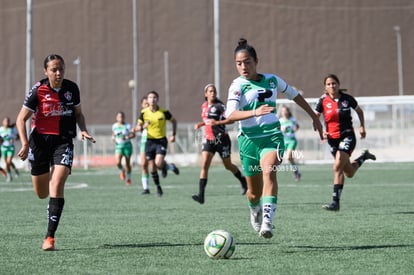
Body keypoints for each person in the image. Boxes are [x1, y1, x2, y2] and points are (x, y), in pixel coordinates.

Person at [225, 38, 323, 238]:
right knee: (253, 192)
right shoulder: (237, 85)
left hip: (272, 137)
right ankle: (255, 210)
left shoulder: (272, 80)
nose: (243, 66)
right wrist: (255, 112)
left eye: (247, 62)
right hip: (248, 141)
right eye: (239, 63)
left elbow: (294, 95)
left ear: (256, 61)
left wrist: (314, 116)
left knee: (269, 172)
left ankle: (267, 222)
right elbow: (230, 116)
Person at [16, 54, 95, 251]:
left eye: (61, 69)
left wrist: (83, 129)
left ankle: (49, 237)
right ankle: (48, 198)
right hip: (40, 143)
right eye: (54, 69)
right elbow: (20, 119)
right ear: (46, 71)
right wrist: (25, 144)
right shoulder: (38, 90)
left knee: (57, 183)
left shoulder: (72, 89)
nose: (58, 73)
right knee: (41, 193)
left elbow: (79, 114)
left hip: (63, 141)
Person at [315, 74, 376, 211]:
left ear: (338, 84)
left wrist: (362, 126)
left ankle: (335, 202)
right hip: (332, 140)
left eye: (334, 83)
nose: (332, 86)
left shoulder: (347, 99)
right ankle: (364, 157)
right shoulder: (322, 101)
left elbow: (359, 112)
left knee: (337, 167)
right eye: (329, 84)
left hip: (347, 136)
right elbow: (316, 117)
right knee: (349, 172)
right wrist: (321, 131)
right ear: (325, 87)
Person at [192, 84, 248, 204]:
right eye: (210, 91)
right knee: (204, 165)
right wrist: (201, 124)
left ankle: (243, 180)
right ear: (205, 94)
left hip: (222, 140)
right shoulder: (204, 106)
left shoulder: (220, 106)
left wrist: (217, 122)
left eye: (214, 91)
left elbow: (231, 119)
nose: (213, 93)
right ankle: (201, 195)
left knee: (228, 166)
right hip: (209, 140)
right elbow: (207, 120)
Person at [135, 91, 179, 197]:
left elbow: (174, 121)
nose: (152, 99)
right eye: (150, 97)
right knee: (152, 166)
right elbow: (137, 127)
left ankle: (164, 166)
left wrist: (173, 134)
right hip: (149, 142)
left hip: (161, 141)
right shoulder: (144, 112)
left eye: (154, 97)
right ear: (148, 100)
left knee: (158, 163)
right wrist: (142, 126)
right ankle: (158, 187)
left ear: (157, 99)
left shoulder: (164, 112)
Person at [112, 111, 135, 185]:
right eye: (119, 117)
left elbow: (133, 135)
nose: (120, 118)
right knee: (118, 163)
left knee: (128, 164)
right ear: (116, 118)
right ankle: (122, 170)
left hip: (127, 146)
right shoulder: (114, 126)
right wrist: (113, 138)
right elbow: (113, 134)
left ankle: (128, 178)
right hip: (118, 146)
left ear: (124, 117)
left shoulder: (128, 126)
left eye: (122, 117)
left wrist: (127, 137)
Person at [279, 105, 301, 181]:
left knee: (288, 157)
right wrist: (282, 129)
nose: (284, 112)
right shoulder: (280, 121)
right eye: (282, 111)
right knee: (290, 159)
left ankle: (295, 172)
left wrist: (295, 129)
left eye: (285, 111)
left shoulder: (292, 119)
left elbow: (297, 126)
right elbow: (277, 129)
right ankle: (296, 171)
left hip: (292, 140)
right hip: (283, 141)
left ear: (288, 112)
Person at [136, 96, 150, 194]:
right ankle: (146, 188)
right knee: (143, 164)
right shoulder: (142, 114)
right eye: (145, 103)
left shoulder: (154, 113)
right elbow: (138, 128)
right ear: (142, 105)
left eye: (148, 103)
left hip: (154, 140)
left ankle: (168, 167)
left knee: (157, 164)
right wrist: (139, 128)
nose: (147, 105)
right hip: (144, 141)